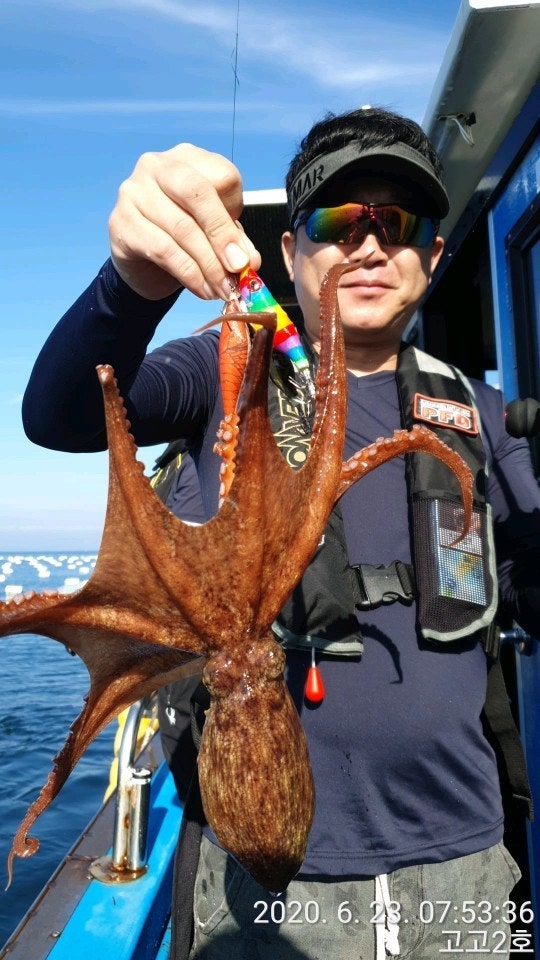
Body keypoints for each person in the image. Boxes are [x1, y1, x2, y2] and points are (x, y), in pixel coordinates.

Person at [22, 107, 540, 960]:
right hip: (271, 879)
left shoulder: (477, 414)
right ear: (291, 251)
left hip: (465, 864)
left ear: (434, 255)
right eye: (339, 222)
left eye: (399, 224)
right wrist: (132, 281)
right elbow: (63, 413)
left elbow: (517, 584)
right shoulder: (225, 372)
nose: (369, 246)